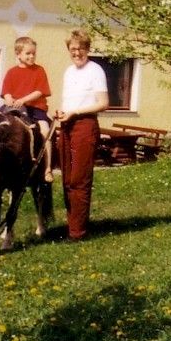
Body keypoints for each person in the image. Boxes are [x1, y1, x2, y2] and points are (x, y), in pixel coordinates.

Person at [0, 37, 53, 182]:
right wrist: (8, 99)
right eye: (28, 53)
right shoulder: (12, 72)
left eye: (33, 53)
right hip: (13, 105)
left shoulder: (39, 70)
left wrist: (24, 100)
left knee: (45, 131)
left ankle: (47, 168)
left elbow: (40, 91)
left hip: (35, 107)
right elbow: (6, 91)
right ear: (18, 54)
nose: (31, 56)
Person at [54, 29, 109, 241]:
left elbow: (103, 103)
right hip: (67, 126)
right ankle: (72, 226)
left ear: (88, 49)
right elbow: (70, 101)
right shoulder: (69, 72)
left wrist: (75, 112)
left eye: (81, 48)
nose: (77, 53)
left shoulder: (95, 70)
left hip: (85, 126)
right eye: (73, 49)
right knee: (67, 178)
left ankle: (78, 232)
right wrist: (61, 112)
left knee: (79, 179)